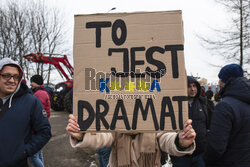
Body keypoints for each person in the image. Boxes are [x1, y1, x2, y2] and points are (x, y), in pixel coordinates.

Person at [66, 113, 196, 167]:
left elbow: (165, 138)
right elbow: (102, 137)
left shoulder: (155, 122)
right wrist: (82, 135)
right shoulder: (115, 123)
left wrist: (180, 142)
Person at [0, 58, 51, 167]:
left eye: (16, 77)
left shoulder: (31, 101)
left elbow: (44, 132)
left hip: (17, 163)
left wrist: (24, 151)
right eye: (6, 75)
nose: (12, 80)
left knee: (37, 158)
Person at [203, 64, 250, 167]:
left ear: (228, 81)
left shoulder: (225, 106)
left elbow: (216, 146)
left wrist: (206, 160)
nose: (219, 82)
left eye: (221, 79)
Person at [170, 76, 212, 167]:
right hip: (181, 155)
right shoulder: (175, 104)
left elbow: (209, 125)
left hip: (200, 154)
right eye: (189, 86)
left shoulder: (204, 103)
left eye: (194, 86)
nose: (193, 89)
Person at [29, 74, 51, 167]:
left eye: (32, 82)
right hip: (41, 125)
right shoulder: (42, 92)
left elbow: (37, 112)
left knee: (33, 156)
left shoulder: (39, 93)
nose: (31, 84)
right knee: (39, 152)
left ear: (36, 82)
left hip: (37, 126)